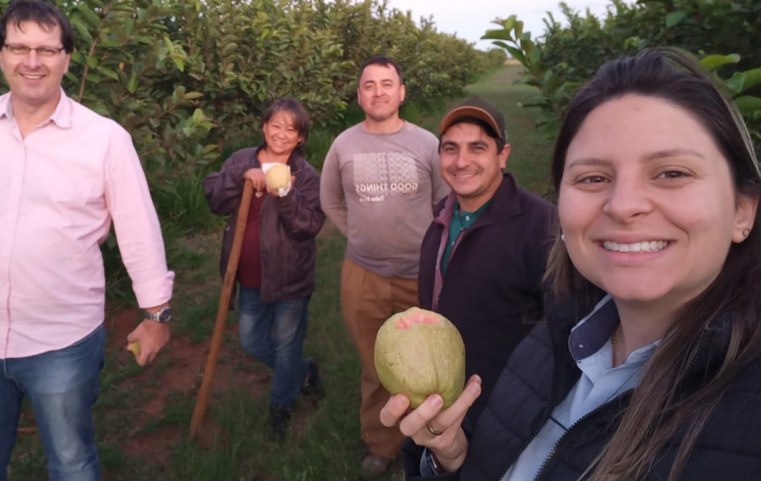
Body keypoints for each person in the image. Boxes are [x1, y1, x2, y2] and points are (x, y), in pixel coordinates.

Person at [382, 47, 761, 480]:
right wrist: (452, 456)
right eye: (593, 178)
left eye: (672, 173)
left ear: (743, 210)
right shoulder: (552, 340)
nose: (623, 205)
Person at [0, 0, 175, 480]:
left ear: (67, 58)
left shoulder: (104, 139)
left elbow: (139, 230)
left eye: (47, 50)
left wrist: (156, 315)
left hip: (63, 344)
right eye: (18, 47)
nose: (32, 62)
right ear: (1, 55)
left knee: (71, 462)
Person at [321, 56, 451, 477]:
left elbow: (443, 202)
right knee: (376, 365)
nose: (378, 91)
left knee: (430, 363)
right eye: (369, 85)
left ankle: (434, 439)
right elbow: (331, 201)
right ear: (359, 95)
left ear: (401, 92)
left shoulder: (426, 143)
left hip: (421, 274)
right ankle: (381, 444)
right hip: (364, 274)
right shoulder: (343, 145)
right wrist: (357, 233)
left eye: (387, 83)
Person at [416, 96, 555, 426]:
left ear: (502, 155)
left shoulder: (543, 228)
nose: (461, 161)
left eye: (477, 148)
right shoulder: (443, 215)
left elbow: (564, 330)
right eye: (450, 148)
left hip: (505, 405)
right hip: (445, 387)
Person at [203, 97, 326, 441]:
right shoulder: (243, 159)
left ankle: (281, 406)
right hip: (249, 276)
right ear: (264, 127)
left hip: (290, 278)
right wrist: (241, 178)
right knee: (251, 341)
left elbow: (308, 225)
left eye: (291, 129)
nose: (282, 134)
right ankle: (303, 372)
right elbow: (214, 198)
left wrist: (284, 191)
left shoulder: (305, 176)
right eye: (276, 125)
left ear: (301, 138)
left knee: (287, 345)